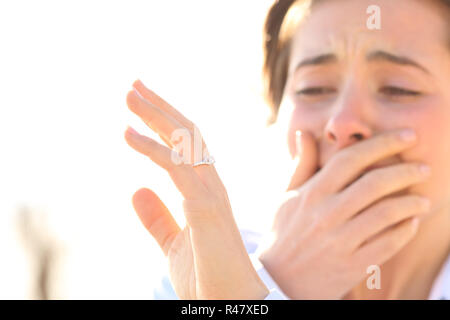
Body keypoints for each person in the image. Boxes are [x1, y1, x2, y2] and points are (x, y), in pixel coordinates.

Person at [124, 0, 450, 299]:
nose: (342, 121)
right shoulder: (200, 279)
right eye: (314, 88)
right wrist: (272, 282)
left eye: (399, 89)